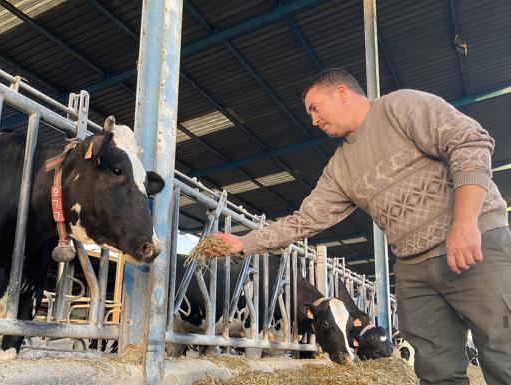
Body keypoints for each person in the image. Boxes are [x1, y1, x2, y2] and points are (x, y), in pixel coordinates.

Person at [214, 68, 511, 385]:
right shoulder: (340, 168)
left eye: (315, 108)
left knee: (502, 351)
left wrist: (465, 223)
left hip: (474, 243)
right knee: (436, 370)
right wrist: (244, 242)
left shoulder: (400, 106)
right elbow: (305, 220)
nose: (313, 121)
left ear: (341, 93)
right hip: (414, 269)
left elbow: (470, 142)